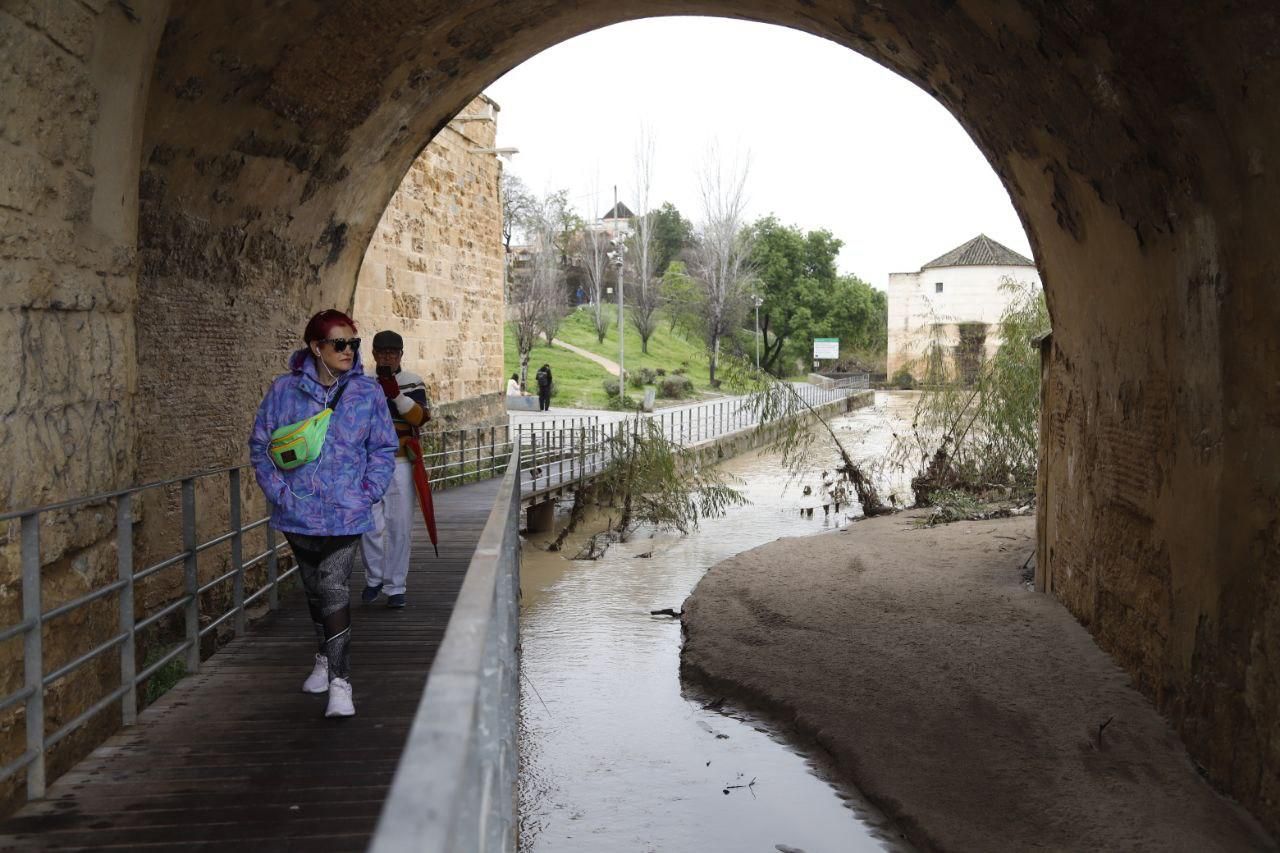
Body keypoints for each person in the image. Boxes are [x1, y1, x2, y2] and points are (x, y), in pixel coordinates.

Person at [249, 309, 397, 718]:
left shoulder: (366, 394)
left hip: (347, 513)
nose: (349, 350)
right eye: (339, 344)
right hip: (297, 513)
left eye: (354, 343)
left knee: (334, 587)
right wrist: (279, 493)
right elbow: (260, 446)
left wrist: (367, 492)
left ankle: (341, 682)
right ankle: (322, 656)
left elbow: (383, 448)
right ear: (316, 348)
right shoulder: (285, 392)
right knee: (314, 592)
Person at [361, 330, 431, 609]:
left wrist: (396, 395)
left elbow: (421, 417)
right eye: (382, 352)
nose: (387, 357)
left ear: (401, 355)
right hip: (369, 462)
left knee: (399, 525)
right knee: (370, 524)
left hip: (401, 460)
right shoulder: (363, 381)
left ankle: (396, 586)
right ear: (374, 354)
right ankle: (374, 578)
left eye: (393, 353)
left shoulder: (413, 381)